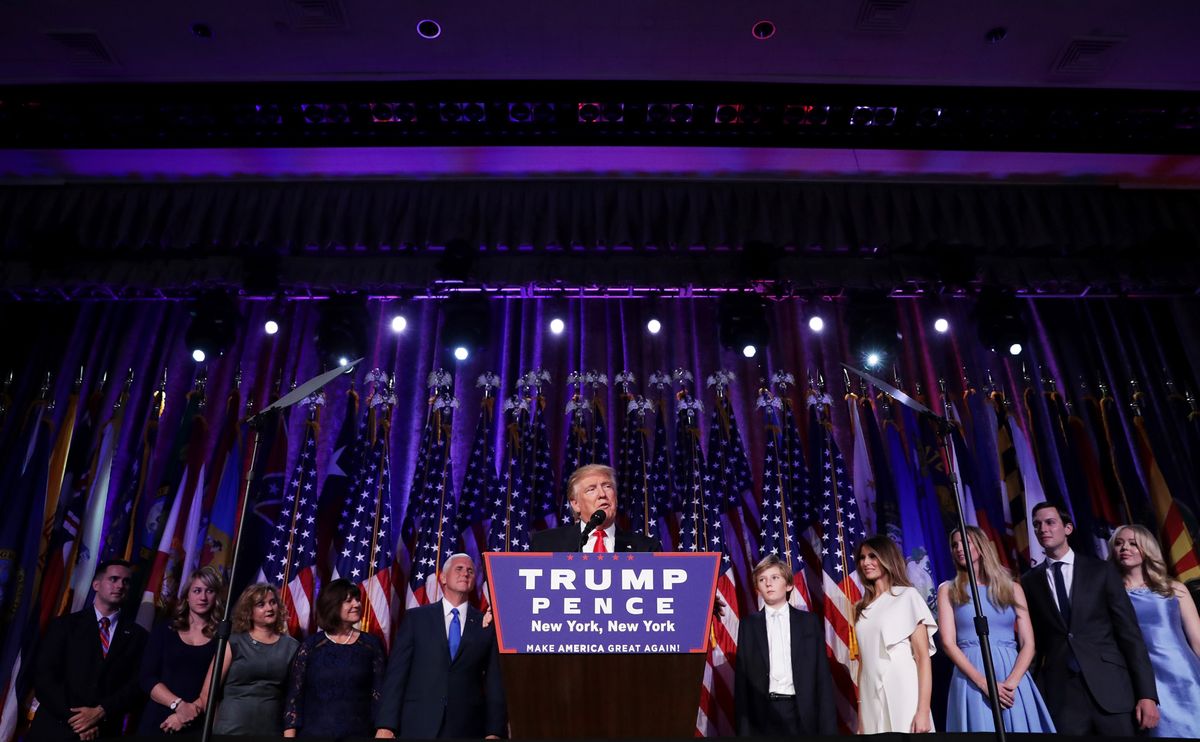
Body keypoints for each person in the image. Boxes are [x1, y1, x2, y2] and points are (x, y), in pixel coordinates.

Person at [1020, 502, 1158, 734]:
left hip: (1111, 689)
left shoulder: (1102, 571)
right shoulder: (1029, 581)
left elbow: (1130, 636)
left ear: (1068, 529)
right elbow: (1035, 643)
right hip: (1063, 696)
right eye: (1037, 525)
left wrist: (1147, 695)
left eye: (1050, 522)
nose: (1042, 529)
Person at [936, 526, 1055, 732]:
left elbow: (1028, 643)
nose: (958, 548)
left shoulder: (1013, 588)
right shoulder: (948, 589)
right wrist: (984, 683)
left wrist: (1012, 682)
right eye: (954, 545)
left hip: (1012, 675)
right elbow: (947, 642)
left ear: (981, 546)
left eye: (965, 542)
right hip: (972, 676)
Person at [375, 553, 506, 739]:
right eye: (459, 569)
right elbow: (396, 676)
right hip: (418, 725)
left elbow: (494, 681)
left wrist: (495, 730)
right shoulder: (416, 619)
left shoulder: (485, 624)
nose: (465, 574)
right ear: (443, 578)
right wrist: (386, 725)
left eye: (470, 571)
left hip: (466, 727)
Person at [29, 559, 148, 742]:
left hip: (103, 732)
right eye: (114, 579)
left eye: (126, 582)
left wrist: (101, 712)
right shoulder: (64, 626)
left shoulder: (138, 636)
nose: (120, 585)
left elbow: (136, 685)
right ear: (96, 584)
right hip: (54, 730)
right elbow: (44, 678)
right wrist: (76, 721)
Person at [1109, 523, 1200, 738]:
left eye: (1133, 544)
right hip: (1143, 682)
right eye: (1119, 544)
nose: (1125, 548)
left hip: (1184, 676)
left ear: (1147, 549)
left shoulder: (1174, 588)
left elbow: (1197, 639)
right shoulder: (1109, 595)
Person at [733, 555, 836, 736]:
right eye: (762, 580)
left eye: (775, 578)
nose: (768, 584)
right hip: (763, 715)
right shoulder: (748, 625)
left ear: (788, 585)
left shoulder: (808, 622)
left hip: (800, 711)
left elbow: (821, 676)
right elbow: (742, 682)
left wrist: (828, 730)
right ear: (757, 589)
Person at [853, 534, 937, 734]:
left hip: (903, 688)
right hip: (871, 694)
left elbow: (923, 658)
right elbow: (863, 664)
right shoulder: (860, 608)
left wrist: (923, 710)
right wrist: (861, 713)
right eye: (862, 558)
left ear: (886, 558)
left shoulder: (907, 596)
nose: (866, 562)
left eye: (872, 556)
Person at [284, 578, 386, 738]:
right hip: (314, 734)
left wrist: (383, 728)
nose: (357, 604)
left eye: (358, 600)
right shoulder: (311, 646)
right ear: (332, 605)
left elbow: (379, 692)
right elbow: (295, 695)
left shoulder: (371, 645)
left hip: (359, 734)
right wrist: (289, 733)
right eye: (349, 601)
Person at [197, 583, 299, 735]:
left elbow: (294, 698)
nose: (269, 608)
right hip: (229, 731)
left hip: (270, 731)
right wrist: (217, 730)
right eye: (261, 604)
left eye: (273, 602)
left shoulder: (291, 646)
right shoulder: (233, 642)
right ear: (248, 611)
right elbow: (208, 694)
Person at [137, 565, 223, 734]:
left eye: (209, 591)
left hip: (198, 724)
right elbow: (147, 677)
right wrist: (179, 706)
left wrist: (186, 715)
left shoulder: (221, 639)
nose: (203, 597)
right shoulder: (164, 630)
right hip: (159, 720)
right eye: (197, 590)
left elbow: (218, 689)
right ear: (187, 596)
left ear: (216, 597)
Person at [529, 464, 661, 553]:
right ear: (575, 504)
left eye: (607, 486)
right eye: (591, 489)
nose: (602, 494)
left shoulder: (645, 548)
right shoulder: (545, 544)